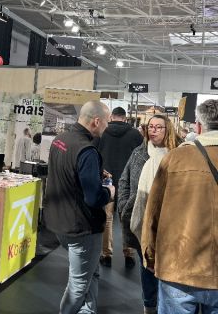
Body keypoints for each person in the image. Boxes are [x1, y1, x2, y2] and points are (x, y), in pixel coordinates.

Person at [142, 99, 218, 314]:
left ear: (199, 126)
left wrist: (149, 254)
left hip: (178, 265)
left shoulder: (175, 158)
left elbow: (153, 212)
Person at [43, 100, 115, 314]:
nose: (107, 127)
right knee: (78, 285)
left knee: (90, 273)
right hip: (82, 227)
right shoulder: (87, 151)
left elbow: (67, 173)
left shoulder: (60, 139)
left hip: (60, 222)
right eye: (107, 122)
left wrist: (94, 173)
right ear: (96, 121)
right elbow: (94, 198)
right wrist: (109, 193)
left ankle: (88, 311)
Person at [118, 114, 180, 314]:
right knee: (147, 265)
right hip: (142, 219)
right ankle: (150, 305)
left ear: (168, 129)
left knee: (169, 267)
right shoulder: (139, 152)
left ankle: (167, 305)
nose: (153, 130)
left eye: (158, 127)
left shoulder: (179, 154)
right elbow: (124, 180)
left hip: (170, 221)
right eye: (150, 126)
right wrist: (124, 205)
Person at [98, 107, 143, 268]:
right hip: (128, 183)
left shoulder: (102, 132)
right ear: (125, 118)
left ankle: (106, 255)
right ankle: (129, 255)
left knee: (107, 218)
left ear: (111, 117)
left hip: (106, 181)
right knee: (127, 218)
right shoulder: (135, 135)